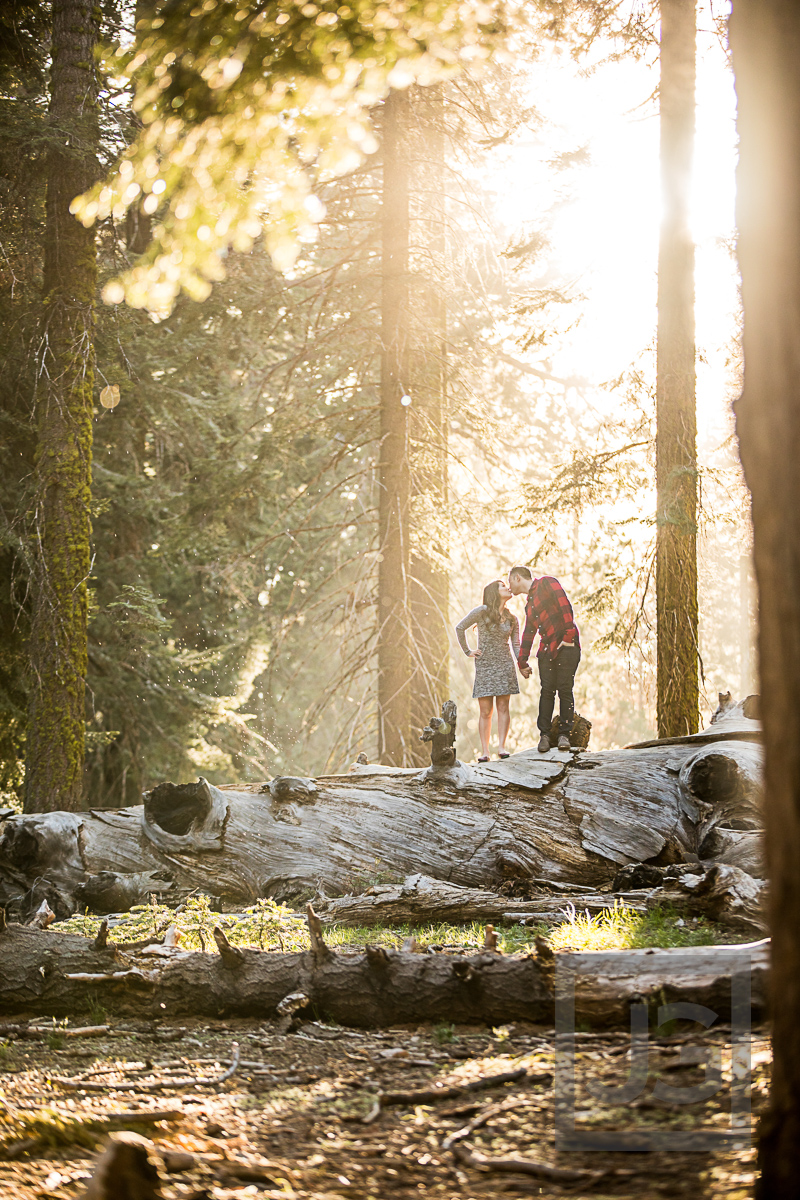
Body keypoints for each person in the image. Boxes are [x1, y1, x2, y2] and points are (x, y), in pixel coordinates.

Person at [508, 565, 581, 754]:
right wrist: (522, 661)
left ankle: (564, 734)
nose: (509, 587)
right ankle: (545, 736)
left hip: (567, 646)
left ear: (517, 578)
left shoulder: (547, 583)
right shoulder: (529, 604)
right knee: (547, 691)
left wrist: (568, 635)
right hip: (547, 651)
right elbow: (529, 632)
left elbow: (565, 605)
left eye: (510, 582)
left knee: (565, 689)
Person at [455, 580, 521, 762]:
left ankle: (502, 747)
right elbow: (459, 627)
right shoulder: (482, 611)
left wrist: (521, 663)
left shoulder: (512, 618)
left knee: (503, 707)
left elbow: (516, 644)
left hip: (505, 665)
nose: (507, 587)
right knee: (485, 710)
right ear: (494, 592)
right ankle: (485, 752)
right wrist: (468, 651)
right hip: (485, 665)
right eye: (502, 586)